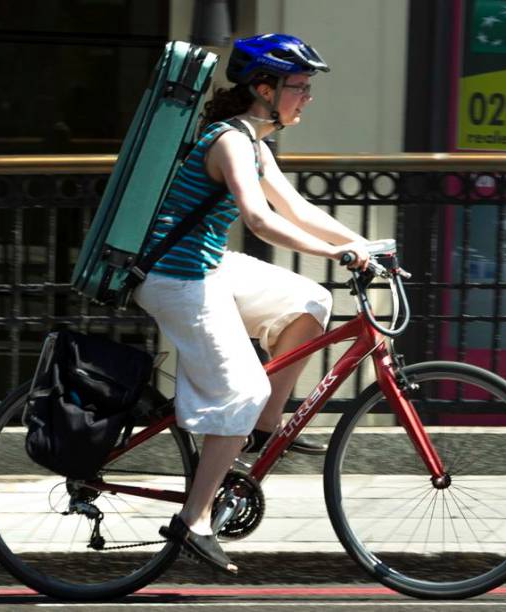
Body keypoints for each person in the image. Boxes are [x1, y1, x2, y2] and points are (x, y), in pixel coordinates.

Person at [132, 33, 372, 573]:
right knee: (243, 386)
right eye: (299, 87)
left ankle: (260, 435)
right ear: (263, 88)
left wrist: (361, 246)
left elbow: (297, 208)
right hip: (175, 277)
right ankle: (192, 520)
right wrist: (341, 255)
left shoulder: (254, 142)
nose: (306, 97)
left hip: (208, 266)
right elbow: (261, 219)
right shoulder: (229, 141)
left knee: (309, 300)